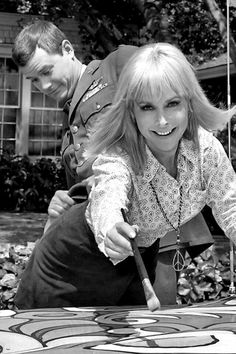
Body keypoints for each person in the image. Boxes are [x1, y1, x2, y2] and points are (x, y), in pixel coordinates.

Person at [12, 22, 213, 306]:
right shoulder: (69, 128)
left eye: (46, 71)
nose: (43, 85)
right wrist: (64, 203)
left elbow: (173, 82)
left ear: (68, 50)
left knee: (159, 323)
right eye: (33, 80)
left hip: (159, 219)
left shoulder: (114, 66)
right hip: (114, 241)